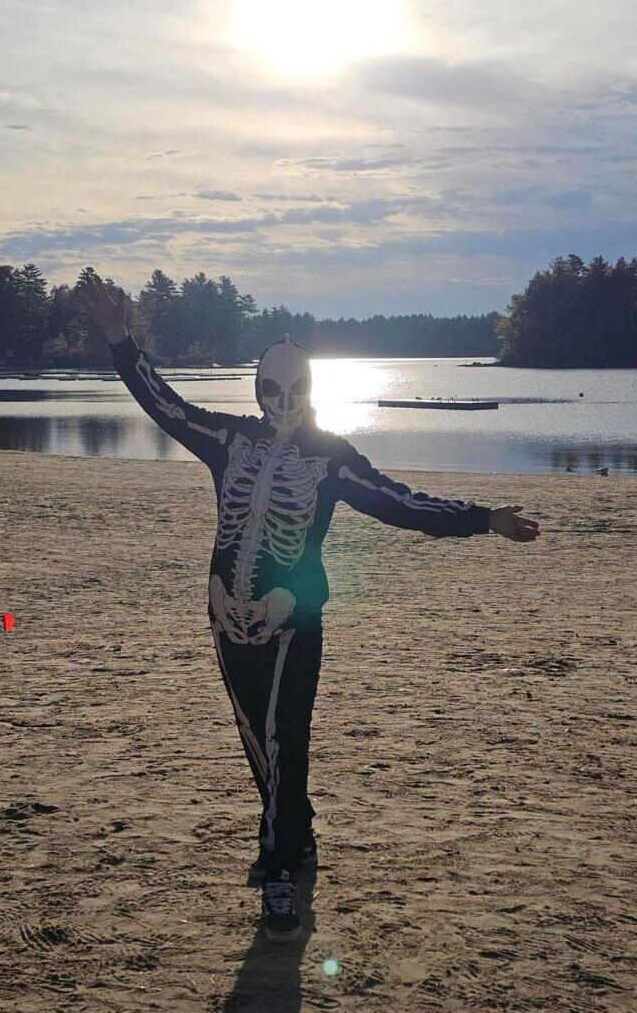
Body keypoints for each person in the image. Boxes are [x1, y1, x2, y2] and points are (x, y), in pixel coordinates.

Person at [78, 272, 540, 944]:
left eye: (295, 390)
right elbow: (164, 405)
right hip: (225, 617)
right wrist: (120, 338)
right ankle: (295, 827)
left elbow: (398, 503)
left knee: (282, 736)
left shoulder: (330, 459)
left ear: (313, 393)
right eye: (271, 388)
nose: (283, 402)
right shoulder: (229, 440)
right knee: (258, 746)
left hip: (295, 617)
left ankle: (279, 872)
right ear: (257, 390)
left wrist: (483, 518)